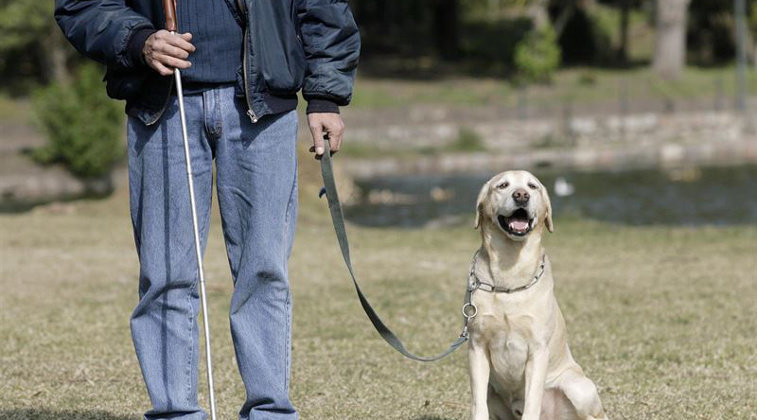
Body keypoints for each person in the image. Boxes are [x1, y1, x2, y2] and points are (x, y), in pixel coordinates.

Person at [54, 0, 360, 419]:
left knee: (264, 271)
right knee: (166, 276)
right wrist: (139, 40)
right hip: (162, 106)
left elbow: (322, 7)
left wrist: (325, 95)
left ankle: (270, 412)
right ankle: (176, 413)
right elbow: (81, 5)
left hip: (264, 109)